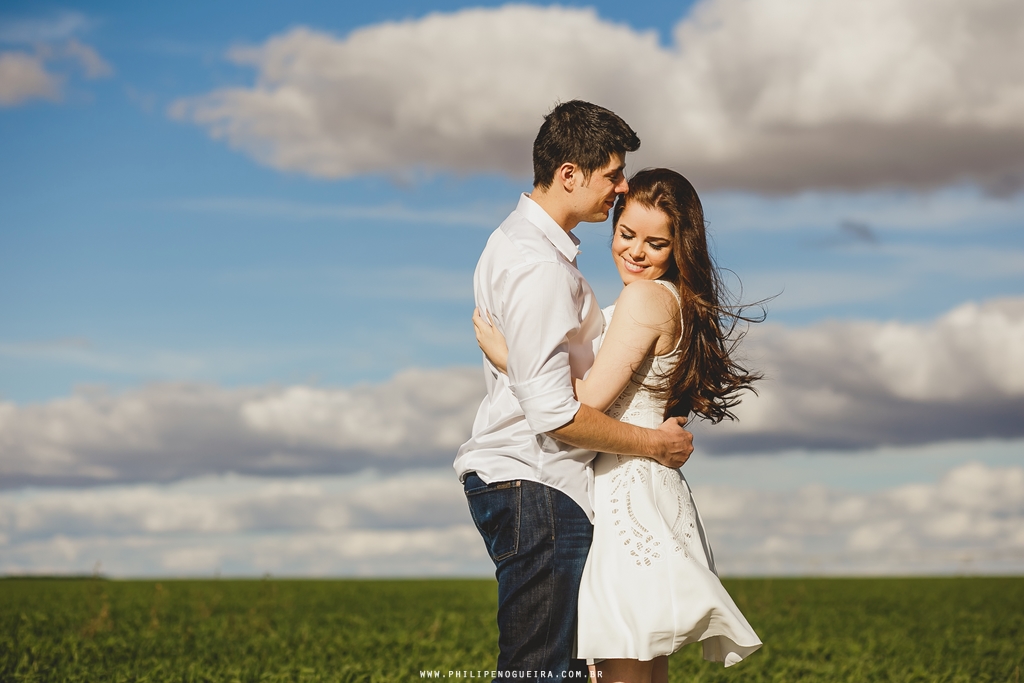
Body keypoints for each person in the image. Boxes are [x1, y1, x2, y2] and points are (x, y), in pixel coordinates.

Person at [473, 168, 764, 683]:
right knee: (644, 664)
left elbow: (583, 400)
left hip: (626, 492)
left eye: (655, 243)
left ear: (680, 247)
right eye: (626, 235)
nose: (635, 252)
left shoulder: (643, 299)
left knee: (621, 657)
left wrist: (507, 355)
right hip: (648, 488)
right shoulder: (674, 300)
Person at [454, 102, 695, 682]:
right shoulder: (541, 267)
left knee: (559, 667)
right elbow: (558, 412)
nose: (622, 185)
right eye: (612, 174)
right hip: (538, 480)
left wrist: (512, 363)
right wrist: (655, 445)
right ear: (570, 174)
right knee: (539, 669)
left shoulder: (512, 243)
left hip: (533, 481)